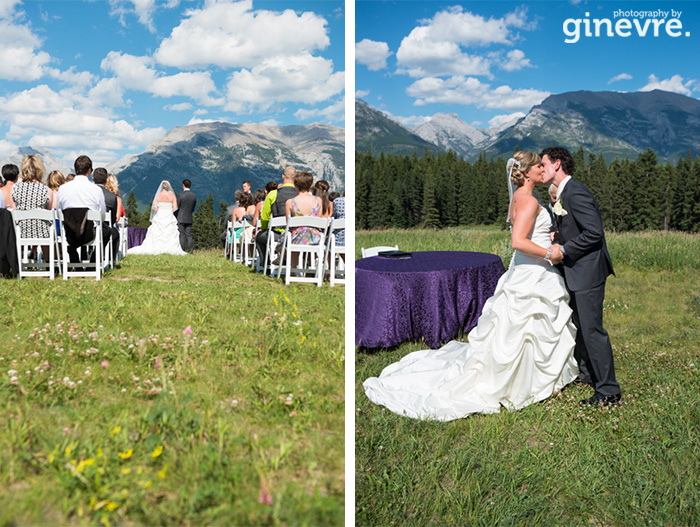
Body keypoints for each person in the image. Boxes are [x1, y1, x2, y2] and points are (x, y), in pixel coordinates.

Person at [363, 151, 579, 421]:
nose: (541, 169)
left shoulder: (523, 199)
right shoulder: (527, 201)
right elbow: (518, 241)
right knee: (524, 328)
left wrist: (552, 238)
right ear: (526, 172)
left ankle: (532, 377)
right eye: (537, 165)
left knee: (523, 329)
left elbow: (530, 234)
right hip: (531, 272)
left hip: (529, 271)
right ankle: (522, 382)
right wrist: (551, 254)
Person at [542, 146, 621, 406]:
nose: (541, 170)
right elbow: (573, 227)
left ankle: (609, 391)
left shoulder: (576, 192)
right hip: (575, 271)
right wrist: (556, 233)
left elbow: (594, 233)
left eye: (544, 164)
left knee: (592, 329)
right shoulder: (561, 194)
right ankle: (588, 374)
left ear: (557, 164)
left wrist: (563, 249)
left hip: (588, 271)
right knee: (580, 326)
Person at [56, 155, 108, 264]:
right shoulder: (96, 190)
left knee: (69, 231)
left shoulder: (62, 189)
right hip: (89, 234)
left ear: (75, 169)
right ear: (89, 170)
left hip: (69, 234)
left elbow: (58, 213)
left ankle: (75, 261)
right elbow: (102, 216)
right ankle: (93, 263)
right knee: (107, 232)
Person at [129, 181, 186, 255]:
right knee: (170, 231)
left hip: (160, 215)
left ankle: (155, 246)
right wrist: (169, 210)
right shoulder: (172, 196)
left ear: (162, 187)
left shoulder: (158, 195)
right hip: (169, 215)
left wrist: (161, 209)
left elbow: (154, 207)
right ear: (169, 187)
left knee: (156, 231)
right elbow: (175, 208)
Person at [12, 155, 52, 261]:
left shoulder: (15, 188)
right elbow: (49, 213)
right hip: (43, 232)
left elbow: (14, 212)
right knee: (46, 226)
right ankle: (49, 263)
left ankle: (16, 262)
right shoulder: (46, 190)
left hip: (22, 231)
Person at [255, 167, 297, 263]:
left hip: (276, 235)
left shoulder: (273, 194)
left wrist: (264, 229)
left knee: (259, 237)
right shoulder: (299, 194)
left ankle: (266, 264)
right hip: (296, 235)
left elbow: (265, 217)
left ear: (283, 176)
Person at [92, 168, 120, 254]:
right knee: (114, 232)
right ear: (106, 180)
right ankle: (111, 259)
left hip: (86, 229)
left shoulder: (87, 193)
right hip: (103, 230)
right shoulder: (112, 197)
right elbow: (113, 219)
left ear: (93, 179)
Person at [176, 179, 196, 253]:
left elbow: (177, 207)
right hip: (189, 218)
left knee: (181, 235)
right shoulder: (194, 196)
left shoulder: (180, 195)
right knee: (189, 235)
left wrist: (176, 216)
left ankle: (182, 250)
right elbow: (193, 208)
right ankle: (190, 251)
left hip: (181, 218)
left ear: (183, 185)